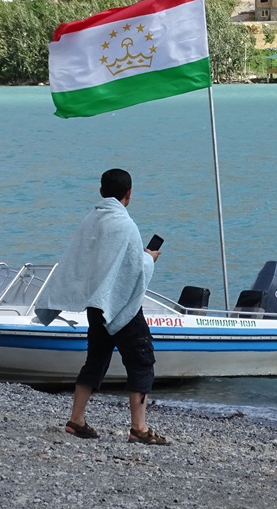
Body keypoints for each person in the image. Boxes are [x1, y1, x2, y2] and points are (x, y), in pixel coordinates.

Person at [34, 168, 168, 445]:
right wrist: (150, 258)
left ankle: (76, 419)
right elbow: (134, 270)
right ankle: (139, 428)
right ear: (129, 194)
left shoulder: (89, 221)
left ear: (101, 191)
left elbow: (80, 261)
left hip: (95, 305)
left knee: (95, 361)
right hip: (121, 307)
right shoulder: (126, 225)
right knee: (142, 363)